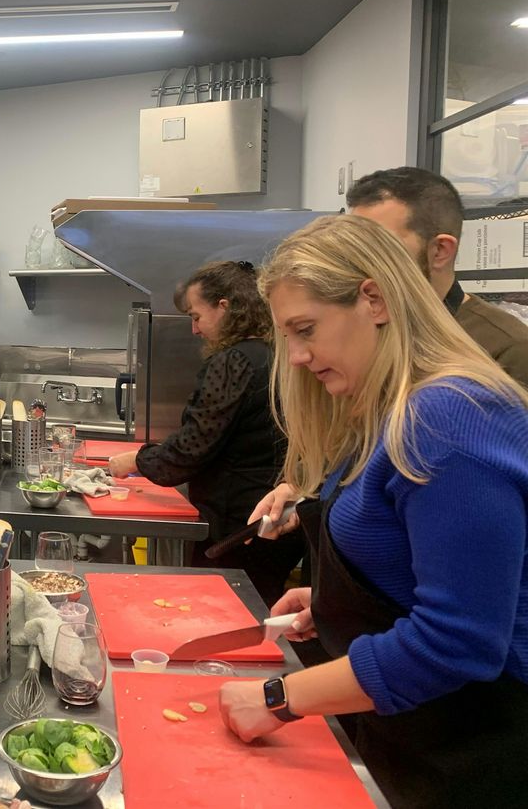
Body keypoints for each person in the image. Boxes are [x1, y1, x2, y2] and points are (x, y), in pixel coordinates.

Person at [223, 215, 528, 808]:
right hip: (409, 735)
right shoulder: (389, 413)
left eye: (305, 329)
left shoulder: (449, 416)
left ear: (375, 299)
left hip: (473, 752)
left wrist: (279, 697)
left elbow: (456, 642)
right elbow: (432, 568)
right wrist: (342, 603)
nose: (299, 357)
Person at [107, 260, 299, 605]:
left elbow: (191, 450)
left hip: (238, 524)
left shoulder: (233, 361)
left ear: (224, 307)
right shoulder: (277, 354)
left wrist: (137, 458)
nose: (194, 329)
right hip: (274, 519)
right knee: (258, 611)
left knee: (222, 612)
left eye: (196, 316)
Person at [348, 166, 528, 385]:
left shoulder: (507, 350)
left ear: (440, 251)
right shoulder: (360, 328)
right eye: (354, 247)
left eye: (382, 246)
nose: (359, 261)